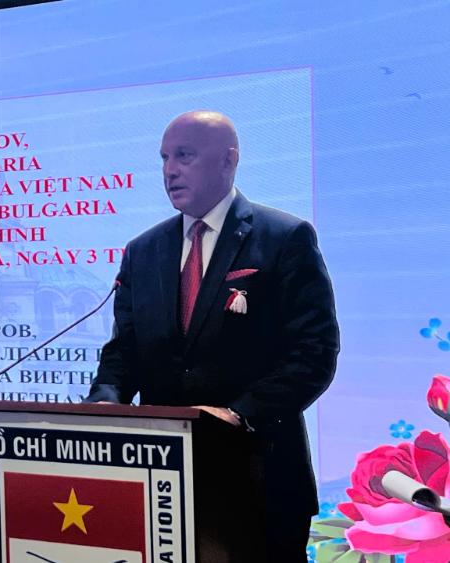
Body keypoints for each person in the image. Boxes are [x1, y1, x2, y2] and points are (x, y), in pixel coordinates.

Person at [86, 110, 339, 561]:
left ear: (228, 161)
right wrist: (106, 401)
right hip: (163, 485)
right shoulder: (143, 251)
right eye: (164, 158)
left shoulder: (284, 238)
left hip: (259, 480)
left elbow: (314, 354)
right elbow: (124, 351)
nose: (170, 170)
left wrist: (238, 414)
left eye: (184, 156)